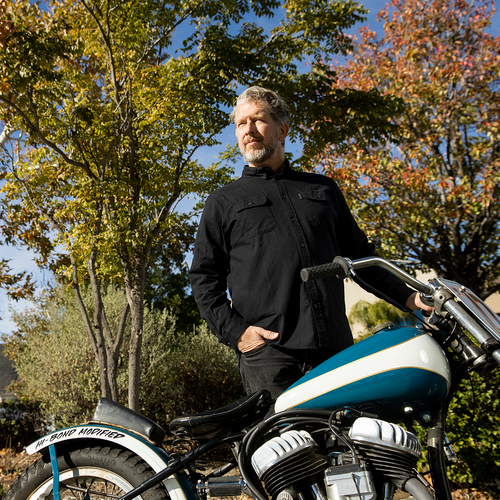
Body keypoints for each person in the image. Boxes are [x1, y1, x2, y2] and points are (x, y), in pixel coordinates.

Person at [189, 86, 431, 402]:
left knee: (349, 433)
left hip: (335, 351)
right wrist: (239, 334)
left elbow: (362, 260)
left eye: (258, 120)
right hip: (269, 354)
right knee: (284, 435)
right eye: (240, 124)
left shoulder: (323, 189)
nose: (248, 130)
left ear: (282, 129)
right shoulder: (223, 202)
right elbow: (204, 278)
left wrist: (410, 298)